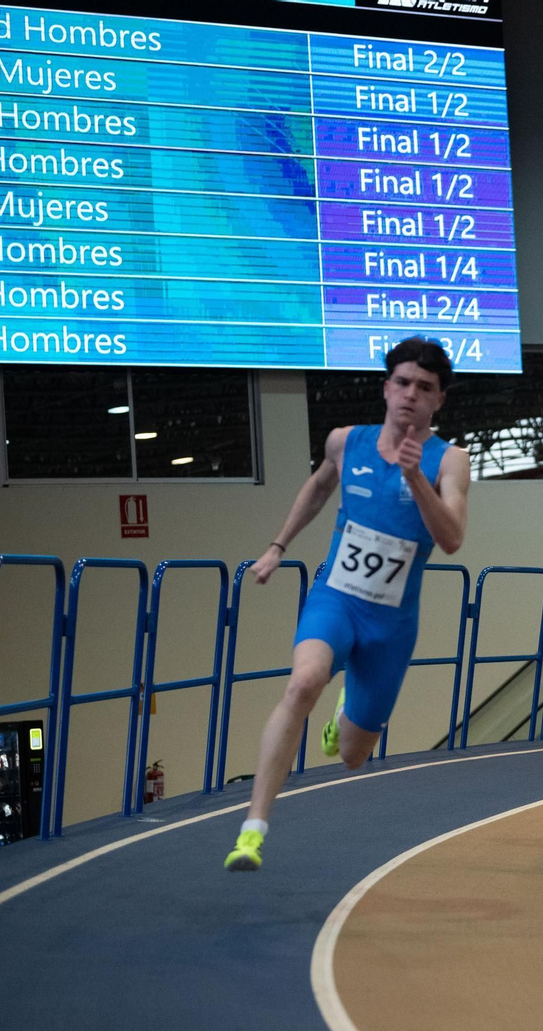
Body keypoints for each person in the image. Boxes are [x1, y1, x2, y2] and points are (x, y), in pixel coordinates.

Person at [224, 338, 470, 870]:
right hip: (336, 599)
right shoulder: (345, 442)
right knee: (303, 681)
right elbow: (316, 489)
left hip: (392, 626)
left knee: (354, 757)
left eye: (424, 388)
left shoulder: (450, 460)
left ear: (438, 401)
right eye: (402, 383)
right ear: (386, 388)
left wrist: (413, 478)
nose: (410, 395)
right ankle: (253, 830)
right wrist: (276, 547)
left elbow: (452, 538)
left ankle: (344, 717)